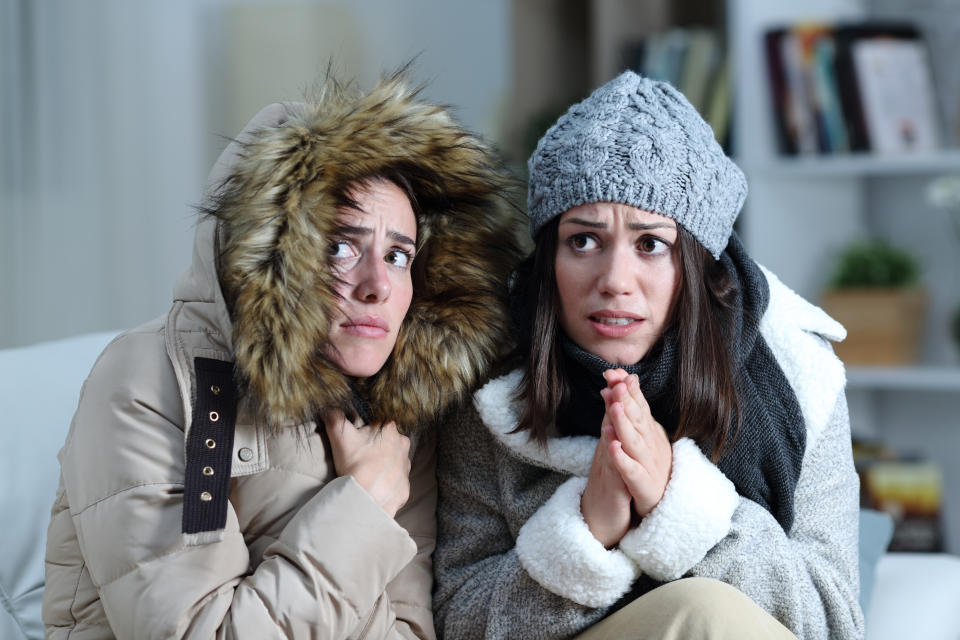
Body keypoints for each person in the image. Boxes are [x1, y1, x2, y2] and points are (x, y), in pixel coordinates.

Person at [42, 71, 524, 639]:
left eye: (399, 255)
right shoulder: (151, 380)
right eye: (341, 246)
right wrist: (364, 505)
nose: (378, 285)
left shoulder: (397, 420)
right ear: (276, 253)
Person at [432, 70, 863, 639]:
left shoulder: (797, 372)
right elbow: (456, 618)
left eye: (651, 244)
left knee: (711, 615)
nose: (615, 280)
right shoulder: (490, 382)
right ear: (548, 260)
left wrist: (681, 503)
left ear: (698, 266)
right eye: (582, 240)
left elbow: (835, 622)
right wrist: (589, 530)